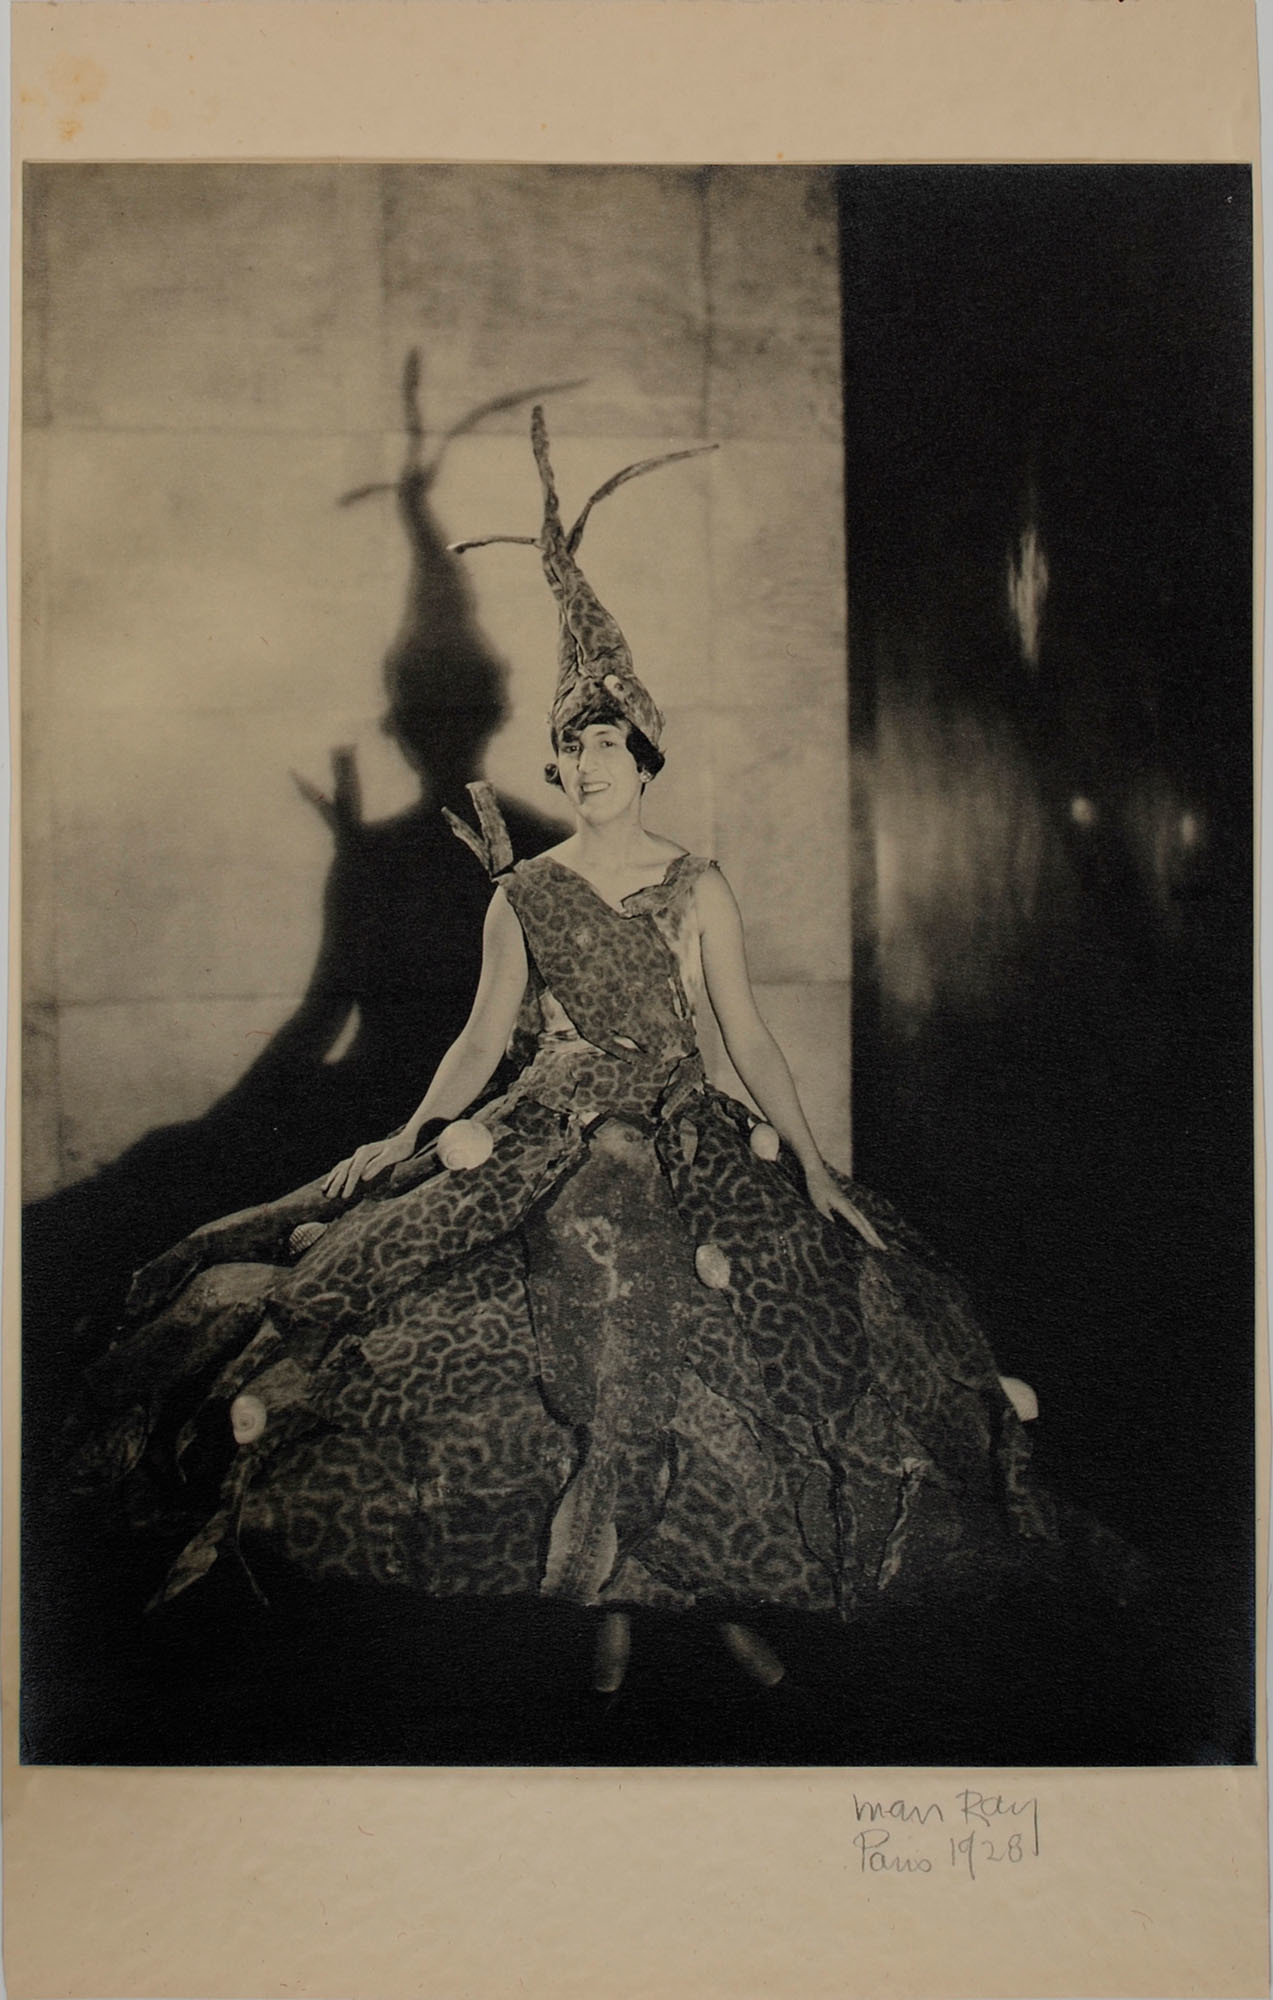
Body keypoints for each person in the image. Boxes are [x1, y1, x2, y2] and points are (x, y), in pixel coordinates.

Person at [74, 408, 1079, 1700]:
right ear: (551, 762)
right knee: (531, 1339)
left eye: (608, 744)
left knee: (754, 1340)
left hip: (688, 1138)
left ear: (643, 756)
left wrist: (816, 1169)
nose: (589, 764)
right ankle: (596, 1588)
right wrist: (409, 1135)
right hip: (544, 1136)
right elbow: (479, 1037)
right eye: (572, 747)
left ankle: (691, 1584)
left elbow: (745, 1034)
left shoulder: (698, 884)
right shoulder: (525, 893)